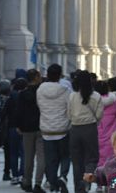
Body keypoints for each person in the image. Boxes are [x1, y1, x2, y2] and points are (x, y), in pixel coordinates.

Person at [67, 70, 104, 193]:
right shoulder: (96, 96)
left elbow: (68, 114)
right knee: (92, 158)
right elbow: (99, 115)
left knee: (76, 161)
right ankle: (87, 179)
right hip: (90, 128)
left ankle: (79, 188)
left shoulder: (72, 96)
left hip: (75, 129)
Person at [38, 64, 73, 193]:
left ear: (47, 75)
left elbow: (39, 105)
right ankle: (63, 176)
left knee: (50, 158)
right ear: (60, 75)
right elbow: (70, 109)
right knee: (65, 155)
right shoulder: (66, 91)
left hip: (46, 129)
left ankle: (52, 183)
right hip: (63, 128)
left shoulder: (40, 90)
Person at [17, 69, 46, 192]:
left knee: (28, 157)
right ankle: (38, 183)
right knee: (41, 157)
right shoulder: (42, 92)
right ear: (35, 77)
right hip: (41, 127)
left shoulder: (22, 94)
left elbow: (19, 112)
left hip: (27, 129)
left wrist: (19, 126)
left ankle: (27, 181)